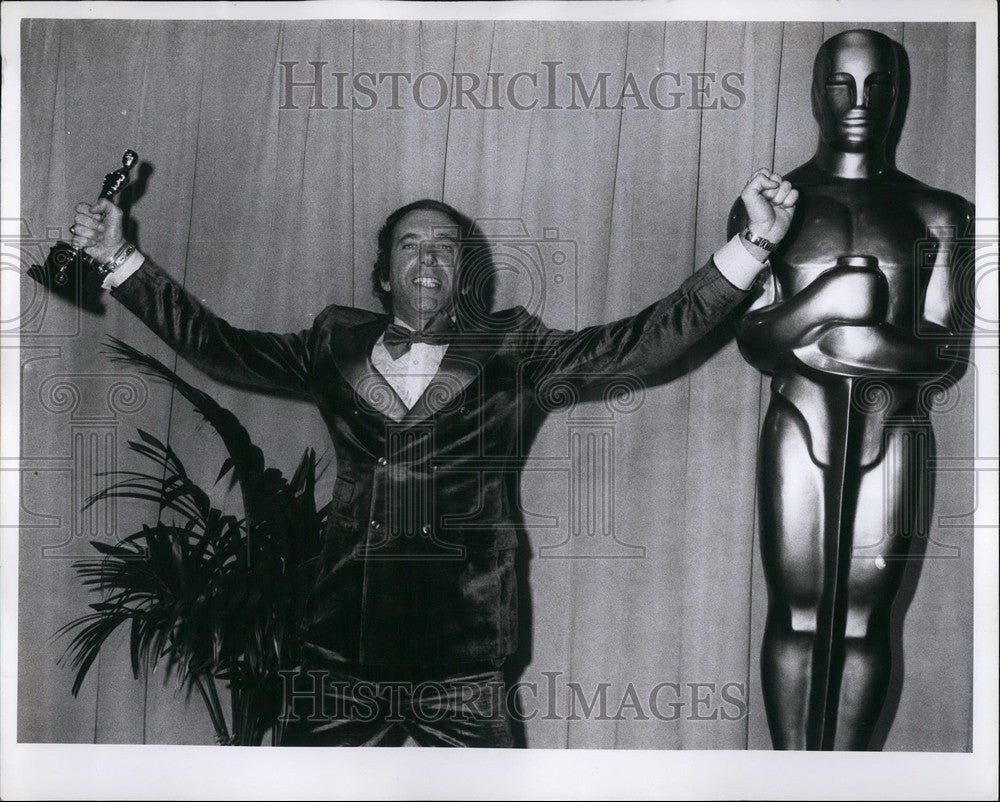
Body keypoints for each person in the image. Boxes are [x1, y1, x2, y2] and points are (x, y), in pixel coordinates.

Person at [69, 168, 797, 747]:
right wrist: (119, 259)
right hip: (338, 648)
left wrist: (751, 248)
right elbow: (216, 344)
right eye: (411, 244)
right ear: (384, 272)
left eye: (445, 246)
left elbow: (645, 339)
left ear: (463, 275)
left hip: (468, 656)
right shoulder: (331, 342)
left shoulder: (515, 346)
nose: (429, 257)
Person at [729, 29, 973, 750]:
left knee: (866, 618)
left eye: (877, 85)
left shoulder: (938, 212)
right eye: (841, 83)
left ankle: (847, 780)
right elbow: (753, 338)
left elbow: (939, 353)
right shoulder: (773, 205)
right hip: (797, 426)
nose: (859, 101)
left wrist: (834, 342)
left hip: (891, 432)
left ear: (899, 97)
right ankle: (792, 777)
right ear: (815, 91)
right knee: (796, 611)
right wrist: (834, 295)